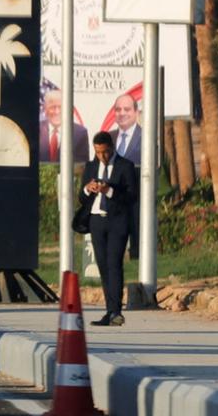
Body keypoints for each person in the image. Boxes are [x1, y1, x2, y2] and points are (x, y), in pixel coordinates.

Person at [79, 131, 136, 326]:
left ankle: (116, 311)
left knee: (114, 264)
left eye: (104, 152)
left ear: (111, 148)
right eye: (97, 152)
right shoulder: (91, 166)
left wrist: (109, 191)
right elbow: (81, 197)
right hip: (97, 221)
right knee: (103, 266)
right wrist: (89, 188)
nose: (101, 156)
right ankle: (109, 310)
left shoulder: (125, 166)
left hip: (117, 222)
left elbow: (131, 197)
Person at [38, 88, 89, 164]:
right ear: (45, 109)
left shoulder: (80, 133)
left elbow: (82, 166)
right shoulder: (36, 129)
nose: (57, 112)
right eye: (52, 107)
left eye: (60, 107)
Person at [107, 91, 144, 167]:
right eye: (118, 110)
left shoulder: (146, 138)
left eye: (127, 109)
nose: (122, 113)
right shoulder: (107, 137)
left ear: (136, 112)